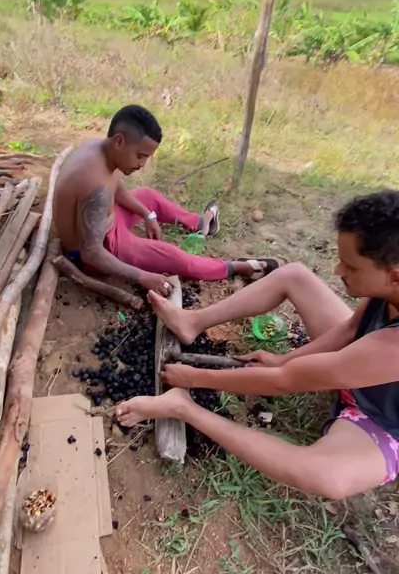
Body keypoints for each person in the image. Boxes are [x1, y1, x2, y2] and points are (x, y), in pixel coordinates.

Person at [116, 190, 399, 500]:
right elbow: (351, 329)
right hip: (359, 364)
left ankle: (183, 407)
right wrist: (285, 359)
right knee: (295, 275)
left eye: (351, 267)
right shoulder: (387, 286)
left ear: (395, 276)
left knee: (328, 477)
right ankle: (192, 322)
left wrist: (195, 378)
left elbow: (284, 382)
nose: (337, 271)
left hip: (382, 419)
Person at [53, 104, 278, 297]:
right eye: (140, 156)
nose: (142, 164)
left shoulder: (98, 149)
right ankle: (237, 267)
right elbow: (92, 253)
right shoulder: (95, 186)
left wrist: (147, 214)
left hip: (105, 224)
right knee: (172, 255)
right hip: (99, 250)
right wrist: (142, 276)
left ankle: (201, 223)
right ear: (119, 141)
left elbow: (115, 187)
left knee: (147, 196)